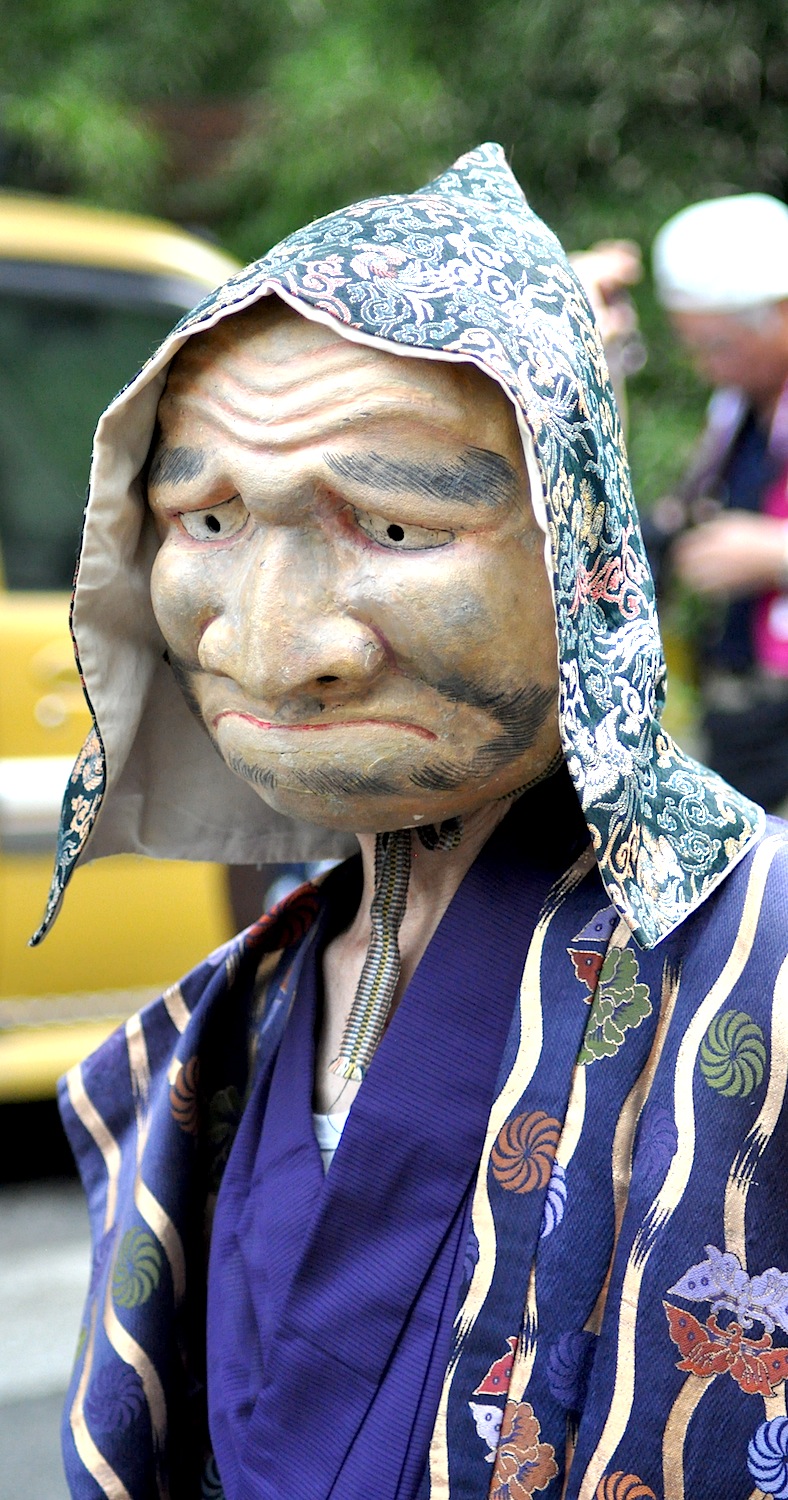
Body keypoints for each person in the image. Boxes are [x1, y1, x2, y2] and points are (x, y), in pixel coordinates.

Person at [38, 145, 788, 1500]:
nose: (270, 648)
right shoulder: (232, 1013)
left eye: (392, 529)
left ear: (580, 551)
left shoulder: (764, 967)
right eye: (205, 519)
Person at [649, 193, 788, 812]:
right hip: (745, 707)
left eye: (718, 345)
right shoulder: (738, 407)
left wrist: (773, 554)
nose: (706, 367)